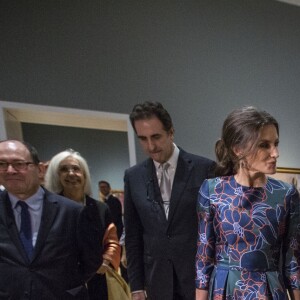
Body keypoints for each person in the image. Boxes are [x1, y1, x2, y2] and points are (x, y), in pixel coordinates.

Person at [195, 106, 300, 300]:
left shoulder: (286, 194)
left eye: (276, 143)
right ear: (238, 149)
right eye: (264, 145)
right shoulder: (212, 190)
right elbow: (203, 259)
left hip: (268, 292)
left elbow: (292, 263)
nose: (275, 153)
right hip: (225, 291)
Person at [124, 101, 215, 300]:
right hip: (156, 281)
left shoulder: (205, 169)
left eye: (156, 137)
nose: (151, 146)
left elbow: (215, 230)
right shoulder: (133, 177)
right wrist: (136, 285)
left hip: (198, 282)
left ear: (171, 132)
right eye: (143, 139)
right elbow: (133, 236)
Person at [0, 140, 102, 299]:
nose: (10, 170)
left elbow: (91, 260)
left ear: (40, 169)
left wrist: (68, 288)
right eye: (2, 164)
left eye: (19, 164)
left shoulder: (72, 212)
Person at [44, 149, 121, 300]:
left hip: (97, 278)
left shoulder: (100, 208)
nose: (71, 174)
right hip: (62, 281)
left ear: (84, 175)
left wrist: (105, 262)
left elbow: (112, 240)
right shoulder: (49, 208)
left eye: (76, 169)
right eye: (64, 169)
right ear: (56, 175)